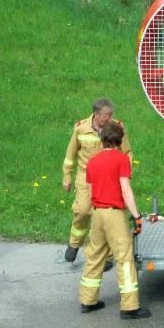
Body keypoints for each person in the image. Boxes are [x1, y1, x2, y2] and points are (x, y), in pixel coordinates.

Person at [78, 122, 150, 319]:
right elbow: (125, 190)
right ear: (120, 140)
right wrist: (136, 216)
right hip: (114, 214)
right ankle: (130, 306)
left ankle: (88, 301)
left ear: (102, 140)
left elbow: (90, 190)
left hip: (97, 212)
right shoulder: (121, 160)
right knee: (124, 258)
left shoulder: (92, 161)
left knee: (95, 256)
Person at [62, 98, 132, 264]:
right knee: (82, 210)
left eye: (111, 114)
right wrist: (67, 176)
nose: (110, 118)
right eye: (107, 115)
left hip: (109, 177)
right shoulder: (81, 129)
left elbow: (127, 152)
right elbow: (70, 155)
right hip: (85, 175)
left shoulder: (117, 128)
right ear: (96, 114)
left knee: (108, 215)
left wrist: (125, 174)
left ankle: (107, 256)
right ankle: (74, 243)